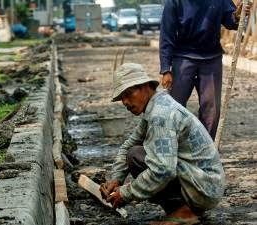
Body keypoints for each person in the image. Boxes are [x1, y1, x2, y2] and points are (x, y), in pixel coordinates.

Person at [100, 63, 225, 225]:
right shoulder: (156, 105)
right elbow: (129, 144)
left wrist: (125, 193)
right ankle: (183, 209)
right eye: (121, 97)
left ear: (145, 87)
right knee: (134, 152)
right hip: (204, 183)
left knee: (137, 156)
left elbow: (163, 170)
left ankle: (184, 213)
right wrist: (116, 178)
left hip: (205, 189)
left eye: (128, 94)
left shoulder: (161, 115)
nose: (125, 102)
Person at [159, 0, 251, 140]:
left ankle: (206, 148)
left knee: (212, 111)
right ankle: (174, 145)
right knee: (175, 106)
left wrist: (237, 16)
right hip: (182, 58)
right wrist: (166, 69)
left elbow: (230, 21)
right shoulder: (174, 2)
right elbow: (167, 34)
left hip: (211, 58)